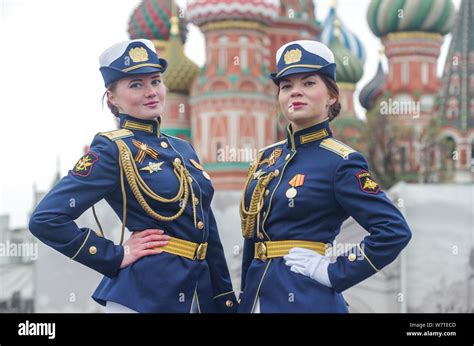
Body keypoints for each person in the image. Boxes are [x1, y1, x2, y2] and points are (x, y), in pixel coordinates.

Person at [29, 39, 237, 313]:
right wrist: (114, 255)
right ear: (112, 97)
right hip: (143, 297)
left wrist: (224, 298)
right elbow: (45, 219)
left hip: (198, 294)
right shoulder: (112, 149)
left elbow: (207, 231)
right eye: (136, 84)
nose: (151, 92)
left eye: (155, 81)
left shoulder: (184, 150)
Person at [238, 40, 412, 313]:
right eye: (287, 86)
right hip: (256, 300)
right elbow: (253, 238)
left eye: (308, 84)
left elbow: (394, 231)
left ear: (331, 96)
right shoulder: (265, 160)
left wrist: (334, 271)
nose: (296, 92)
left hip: (308, 300)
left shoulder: (341, 162)